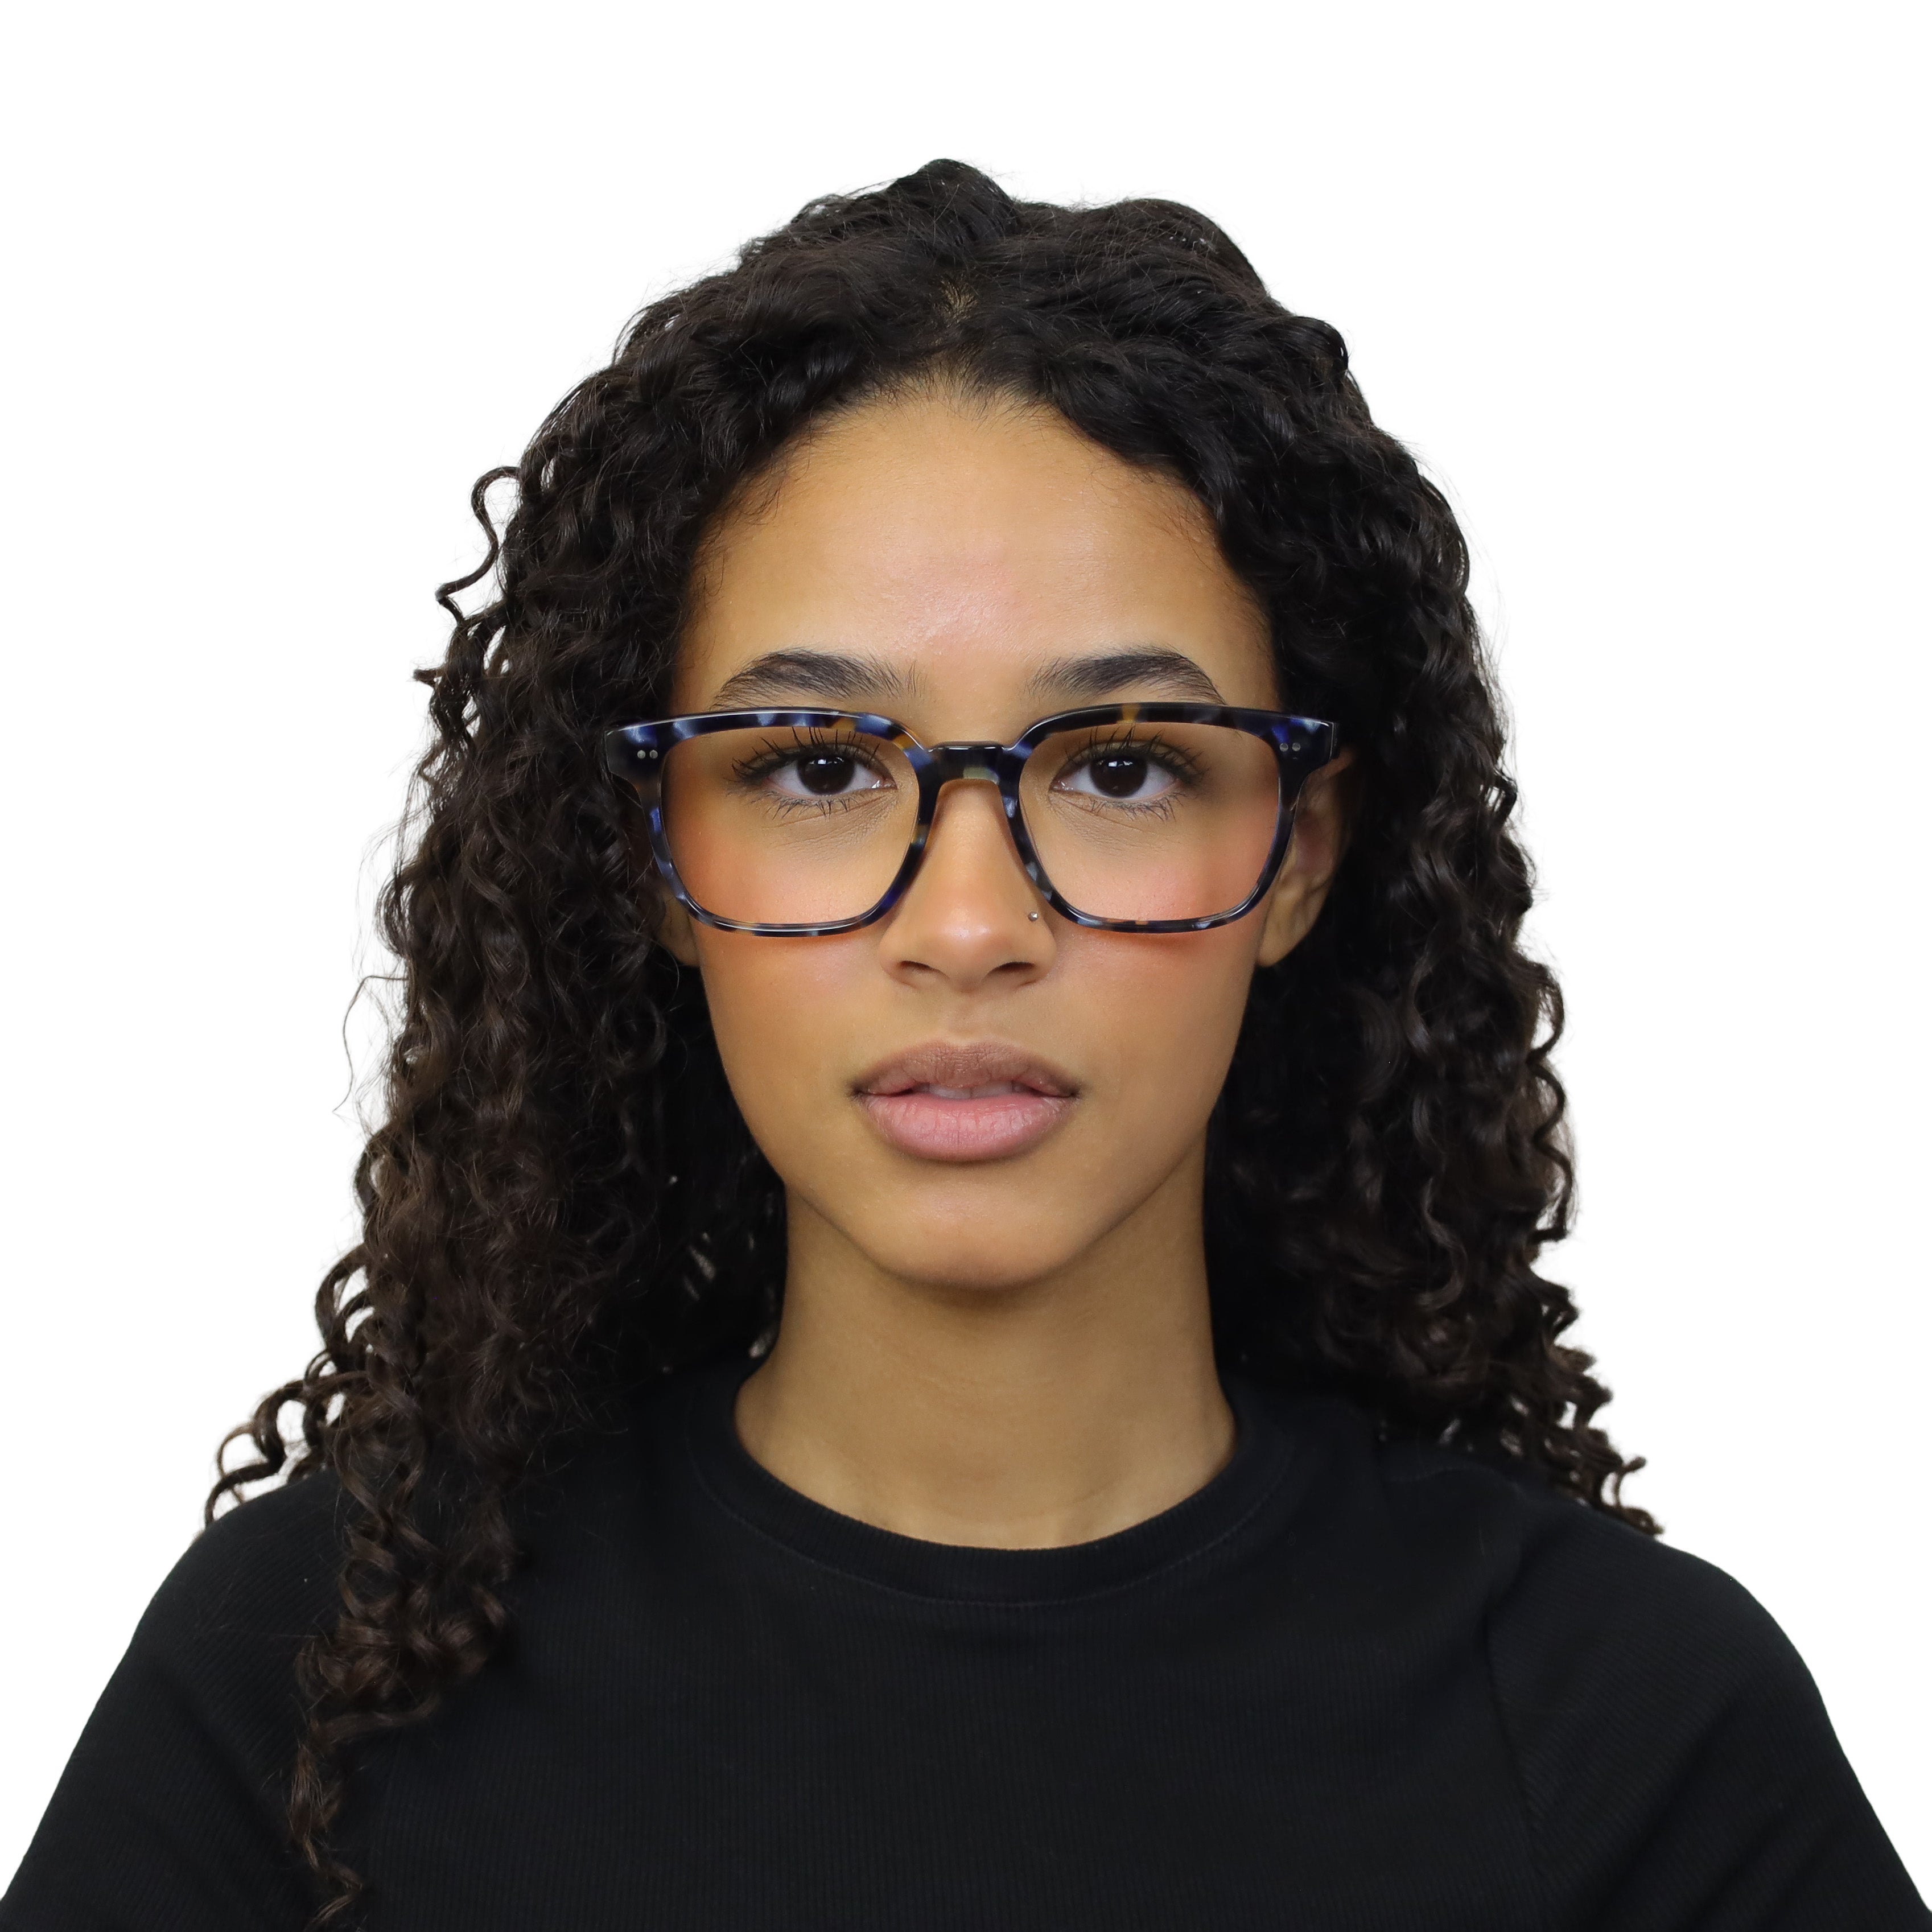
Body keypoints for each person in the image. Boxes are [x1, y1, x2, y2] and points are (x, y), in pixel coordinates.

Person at [4, 160, 1923, 1932]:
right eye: (817, 767)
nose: (969, 924)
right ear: (655, 857)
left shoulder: (1626, 1734)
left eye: (1122, 767)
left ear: (1296, 855)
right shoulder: (312, 1685)